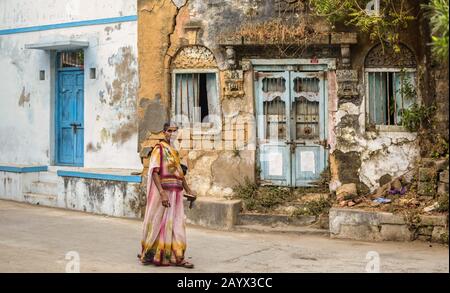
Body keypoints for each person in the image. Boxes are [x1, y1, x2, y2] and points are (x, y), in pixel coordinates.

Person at [138, 122, 196, 268]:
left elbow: (179, 173)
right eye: (170, 131)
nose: (172, 133)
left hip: (176, 193)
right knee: (157, 222)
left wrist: (188, 190)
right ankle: (150, 253)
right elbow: (155, 172)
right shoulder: (159, 149)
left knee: (176, 223)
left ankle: (178, 256)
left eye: (175, 131)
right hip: (162, 193)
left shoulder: (173, 150)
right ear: (164, 132)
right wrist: (162, 193)